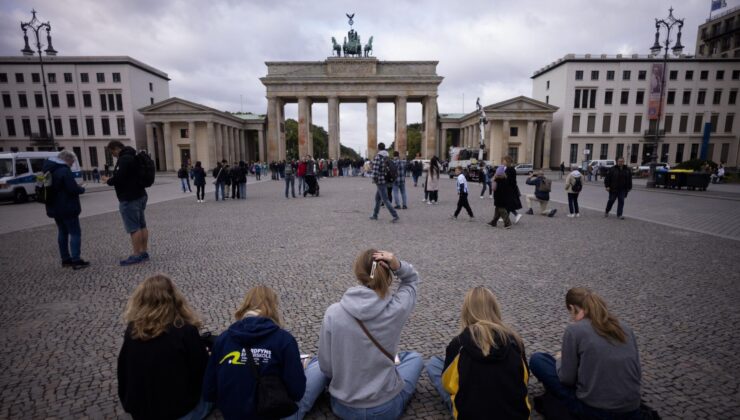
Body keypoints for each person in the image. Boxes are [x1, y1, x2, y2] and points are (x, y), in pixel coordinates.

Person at [299, 249, 423, 419]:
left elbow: (326, 367)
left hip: (343, 406)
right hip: (385, 409)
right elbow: (411, 280)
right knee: (414, 358)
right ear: (387, 273)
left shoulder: (333, 313)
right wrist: (398, 264)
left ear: (358, 273)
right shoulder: (397, 308)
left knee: (316, 364)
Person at [529, 287, 642, 419]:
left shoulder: (574, 330)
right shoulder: (626, 328)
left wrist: (562, 359)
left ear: (572, 308)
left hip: (594, 411)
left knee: (538, 360)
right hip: (632, 410)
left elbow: (567, 379)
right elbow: (637, 373)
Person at [203, 285, 306, 420]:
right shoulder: (284, 340)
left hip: (232, 414)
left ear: (245, 306)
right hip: (272, 412)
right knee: (314, 366)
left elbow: (209, 391)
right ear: (273, 307)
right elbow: (297, 392)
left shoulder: (223, 339)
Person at [425, 287, 530, 419]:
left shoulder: (458, 344)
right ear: (495, 309)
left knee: (434, 364)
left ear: (467, 311)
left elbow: (448, 385)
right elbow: (524, 379)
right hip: (515, 415)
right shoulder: (515, 341)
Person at [117, 275, 211, 420]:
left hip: (141, 411)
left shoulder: (133, 330)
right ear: (174, 298)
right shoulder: (184, 330)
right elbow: (202, 372)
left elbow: (123, 371)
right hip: (179, 411)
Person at [102, 140, 150, 266]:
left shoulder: (124, 159)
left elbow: (119, 178)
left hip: (129, 197)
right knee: (142, 225)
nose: (113, 155)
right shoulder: (134, 155)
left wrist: (108, 180)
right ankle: (144, 252)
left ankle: (136, 254)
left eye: (112, 153)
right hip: (140, 194)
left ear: (115, 149)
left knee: (134, 228)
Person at [43, 150, 89, 269]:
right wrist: (81, 189)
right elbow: (72, 189)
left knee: (62, 232)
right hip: (67, 207)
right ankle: (76, 260)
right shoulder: (64, 170)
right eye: (72, 161)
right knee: (75, 233)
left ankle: (65, 259)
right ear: (66, 159)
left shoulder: (49, 169)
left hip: (54, 207)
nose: (73, 163)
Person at [369, 143, 399, 222]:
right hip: (385, 179)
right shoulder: (387, 156)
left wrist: (374, 179)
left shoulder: (378, 157)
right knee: (377, 198)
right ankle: (375, 215)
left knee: (385, 199)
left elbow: (375, 170)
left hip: (379, 180)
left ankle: (395, 215)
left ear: (378, 148)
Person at [502, 156, 523, 224]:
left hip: (510, 189)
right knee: (507, 204)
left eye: (504, 160)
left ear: (507, 161)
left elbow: (511, 181)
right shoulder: (508, 169)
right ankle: (507, 217)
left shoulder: (510, 169)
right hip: (509, 189)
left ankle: (515, 215)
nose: (503, 162)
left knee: (508, 204)